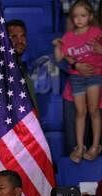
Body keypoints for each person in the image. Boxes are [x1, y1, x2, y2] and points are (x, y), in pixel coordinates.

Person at [54, 0, 102, 162]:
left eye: (83, 16)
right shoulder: (68, 36)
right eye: (75, 16)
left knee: (94, 111)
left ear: (90, 16)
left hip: (94, 78)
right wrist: (57, 46)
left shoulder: (96, 32)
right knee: (80, 113)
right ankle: (79, 147)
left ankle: (95, 146)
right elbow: (60, 58)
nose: (79, 19)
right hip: (76, 80)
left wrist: (100, 50)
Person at [6, 20, 38, 111]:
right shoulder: (4, 69)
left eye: (23, 36)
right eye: (14, 37)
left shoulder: (21, 67)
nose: (20, 41)